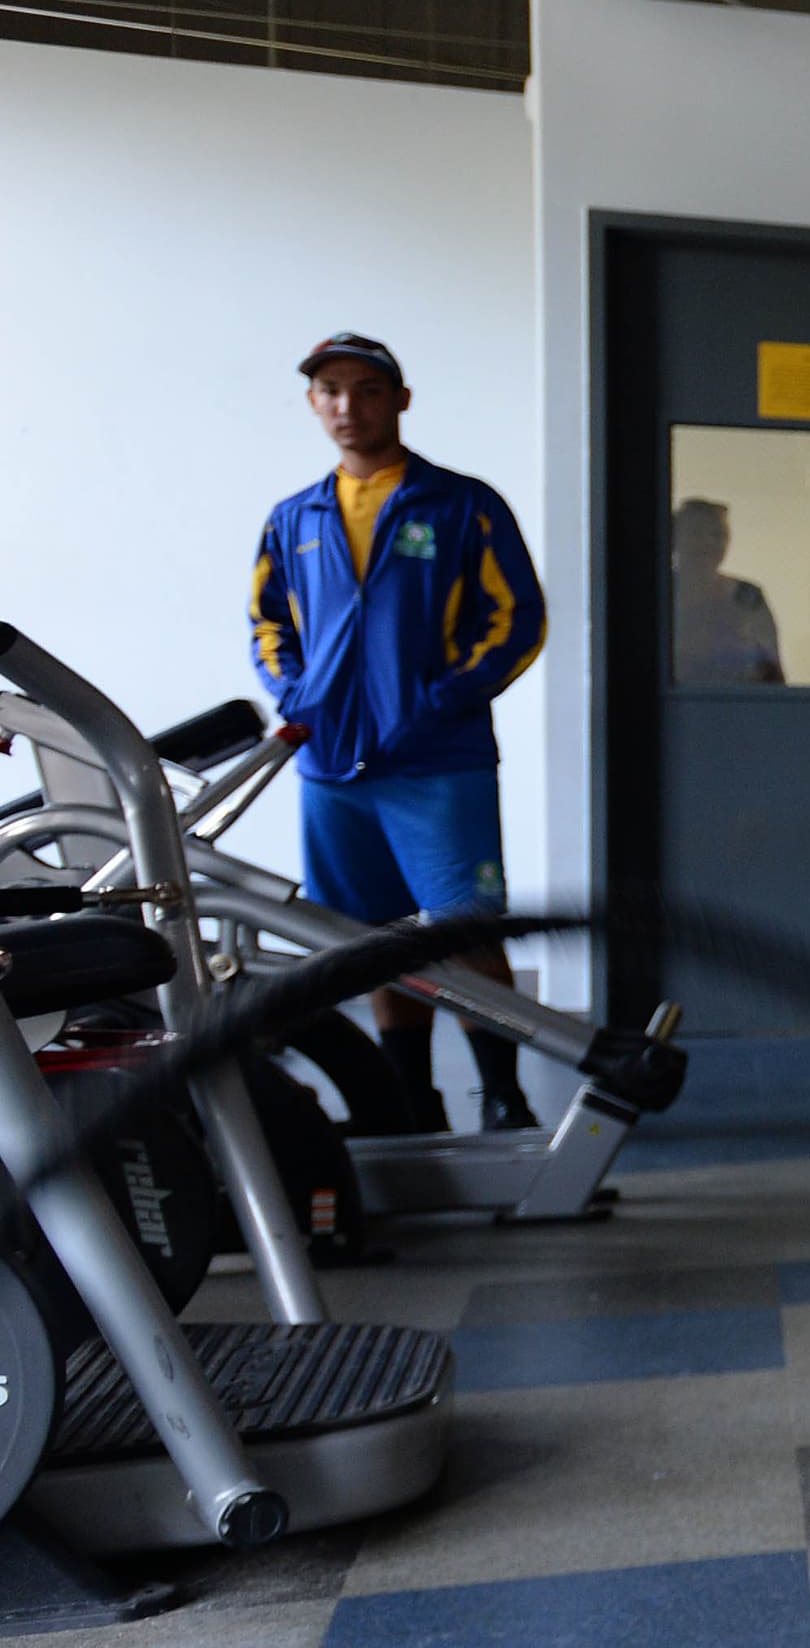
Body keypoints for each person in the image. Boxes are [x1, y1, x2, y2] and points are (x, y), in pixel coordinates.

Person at [249, 334, 548, 1133]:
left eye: (367, 389)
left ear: (401, 399)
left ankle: (504, 1094)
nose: (349, 406)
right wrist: (296, 694)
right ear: (315, 403)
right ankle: (412, 1101)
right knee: (373, 939)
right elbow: (267, 623)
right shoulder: (293, 518)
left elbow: (518, 616)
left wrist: (444, 698)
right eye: (331, 391)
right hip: (332, 768)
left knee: (466, 930)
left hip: (438, 762)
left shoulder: (461, 504)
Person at [670, 498, 785, 685]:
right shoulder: (656, 592)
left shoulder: (748, 596)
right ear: (674, 539)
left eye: (718, 534)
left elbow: (772, 674)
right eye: (695, 533)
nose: (707, 542)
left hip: (737, 708)